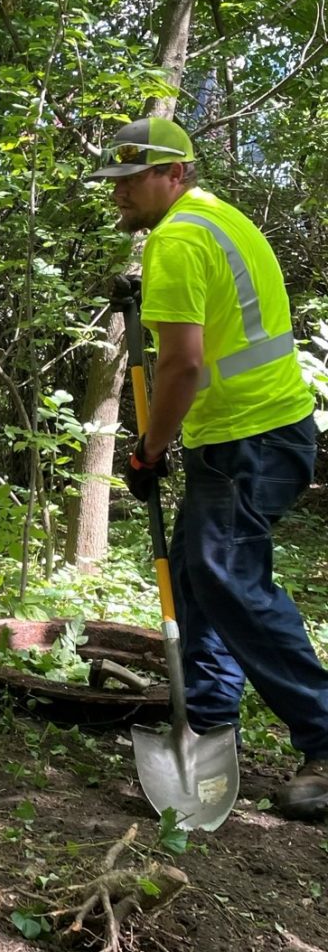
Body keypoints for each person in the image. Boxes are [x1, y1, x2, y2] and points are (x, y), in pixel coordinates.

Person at [87, 116, 328, 820]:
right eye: (114, 181)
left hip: (246, 438)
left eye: (132, 180)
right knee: (199, 577)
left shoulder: (180, 237)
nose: (119, 194)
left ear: (175, 174)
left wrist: (150, 449)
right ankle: (212, 720)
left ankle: (323, 732)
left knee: (229, 579)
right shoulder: (218, 220)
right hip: (266, 429)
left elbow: (184, 363)